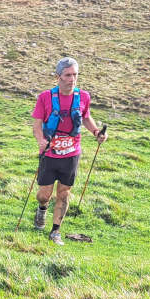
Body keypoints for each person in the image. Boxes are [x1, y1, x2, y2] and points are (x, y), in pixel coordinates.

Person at [31, 56, 106, 245]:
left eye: (75, 75)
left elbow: (86, 118)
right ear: (58, 76)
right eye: (68, 75)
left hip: (72, 153)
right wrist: (40, 140)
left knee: (64, 193)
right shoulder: (45, 97)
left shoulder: (84, 97)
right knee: (44, 194)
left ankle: (55, 231)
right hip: (50, 153)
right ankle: (42, 208)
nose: (72, 79)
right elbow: (37, 124)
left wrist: (96, 132)